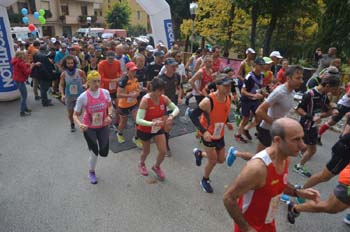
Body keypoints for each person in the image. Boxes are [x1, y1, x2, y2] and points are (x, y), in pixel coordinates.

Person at [223, 118, 320, 232]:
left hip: (268, 222)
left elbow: (279, 183)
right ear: (278, 140)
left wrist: (297, 192)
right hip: (251, 226)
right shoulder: (258, 169)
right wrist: (246, 228)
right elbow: (229, 198)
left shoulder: (285, 158)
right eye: (296, 140)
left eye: (302, 138)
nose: (303, 145)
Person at [189, 75, 249, 193]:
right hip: (208, 135)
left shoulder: (228, 98)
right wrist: (203, 131)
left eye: (230, 86)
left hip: (219, 133)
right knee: (213, 160)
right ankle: (204, 179)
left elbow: (223, 112)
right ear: (217, 86)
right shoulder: (208, 101)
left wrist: (227, 122)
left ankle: (200, 154)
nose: (228, 88)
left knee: (220, 159)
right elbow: (192, 115)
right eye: (225, 85)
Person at [294, 74, 340, 177]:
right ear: (327, 85)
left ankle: (296, 161)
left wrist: (334, 108)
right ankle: (298, 166)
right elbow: (298, 109)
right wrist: (311, 117)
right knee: (310, 149)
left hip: (314, 125)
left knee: (304, 147)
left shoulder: (324, 94)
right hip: (307, 125)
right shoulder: (309, 94)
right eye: (334, 88)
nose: (334, 91)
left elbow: (328, 105)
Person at [73, 71, 113, 184]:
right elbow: (75, 114)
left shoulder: (105, 93)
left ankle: (94, 147)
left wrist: (110, 115)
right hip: (89, 127)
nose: (97, 83)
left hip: (103, 125)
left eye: (99, 81)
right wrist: (79, 124)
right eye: (94, 81)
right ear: (88, 82)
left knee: (104, 152)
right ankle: (91, 171)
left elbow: (110, 106)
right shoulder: (83, 97)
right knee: (94, 152)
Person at [136, 78, 179, 180]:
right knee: (146, 151)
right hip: (145, 129)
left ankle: (156, 166)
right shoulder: (145, 100)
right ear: (153, 90)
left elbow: (176, 108)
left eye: (163, 90)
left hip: (157, 128)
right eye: (160, 90)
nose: (162, 92)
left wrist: (171, 116)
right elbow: (138, 120)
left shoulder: (163, 98)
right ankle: (141, 163)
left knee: (163, 151)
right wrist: (152, 123)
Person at [256, 66, 304, 152]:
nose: (301, 81)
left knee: (274, 157)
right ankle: (236, 153)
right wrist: (275, 124)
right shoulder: (279, 92)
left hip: (278, 130)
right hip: (267, 130)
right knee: (258, 159)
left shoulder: (292, 92)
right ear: (288, 78)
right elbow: (259, 111)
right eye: (298, 78)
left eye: (301, 78)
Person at [235, 58, 265, 143]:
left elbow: (259, 86)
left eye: (263, 65)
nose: (262, 67)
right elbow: (243, 91)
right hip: (246, 100)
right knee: (245, 118)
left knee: (259, 117)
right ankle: (238, 134)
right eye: (260, 65)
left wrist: (263, 92)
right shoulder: (249, 77)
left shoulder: (262, 75)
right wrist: (254, 95)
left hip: (255, 100)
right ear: (255, 65)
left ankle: (246, 129)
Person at [159, 58, 182, 156]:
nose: (174, 68)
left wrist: (180, 97)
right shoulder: (160, 78)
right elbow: (156, 92)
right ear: (166, 66)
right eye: (172, 66)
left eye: (175, 66)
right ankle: (165, 145)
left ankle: (163, 134)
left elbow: (179, 87)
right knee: (168, 125)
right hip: (162, 104)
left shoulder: (177, 76)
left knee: (167, 125)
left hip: (172, 103)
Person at [116, 62, 143, 148]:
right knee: (123, 122)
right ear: (128, 70)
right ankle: (119, 134)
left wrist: (140, 91)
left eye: (135, 70)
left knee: (138, 121)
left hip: (133, 104)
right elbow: (118, 95)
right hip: (123, 105)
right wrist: (130, 95)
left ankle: (136, 138)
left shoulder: (136, 78)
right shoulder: (123, 80)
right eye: (132, 70)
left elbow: (138, 88)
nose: (134, 72)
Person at [59, 55, 86, 132]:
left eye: (72, 63)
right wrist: (62, 94)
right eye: (68, 63)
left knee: (79, 112)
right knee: (70, 112)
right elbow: (61, 84)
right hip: (69, 96)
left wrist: (85, 84)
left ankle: (77, 118)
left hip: (79, 96)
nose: (70, 65)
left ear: (74, 63)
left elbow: (86, 80)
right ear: (65, 64)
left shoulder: (80, 72)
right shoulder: (64, 74)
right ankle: (72, 124)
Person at [11, 51, 41, 116]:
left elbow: (25, 65)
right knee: (24, 96)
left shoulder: (16, 60)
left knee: (23, 95)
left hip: (16, 79)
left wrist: (33, 64)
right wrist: (32, 66)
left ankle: (25, 108)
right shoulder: (21, 62)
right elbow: (27, 72)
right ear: (21, 56)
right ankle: (22, 112)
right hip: (20, 80)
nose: (25, 56)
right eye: (24, 55)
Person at [98, 51, 122, 126]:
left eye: (112, 58)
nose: (111, 60)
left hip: (115, 87)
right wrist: (111, 80)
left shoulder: (117, 63)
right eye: (109, 59)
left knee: (118, 105)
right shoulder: (101, 64)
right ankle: (105, 121)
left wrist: (120, 77)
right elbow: (101, 78)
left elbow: (120, 71)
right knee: (106, 107)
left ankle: (117, 121)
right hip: (105, 88)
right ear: (106, 58)